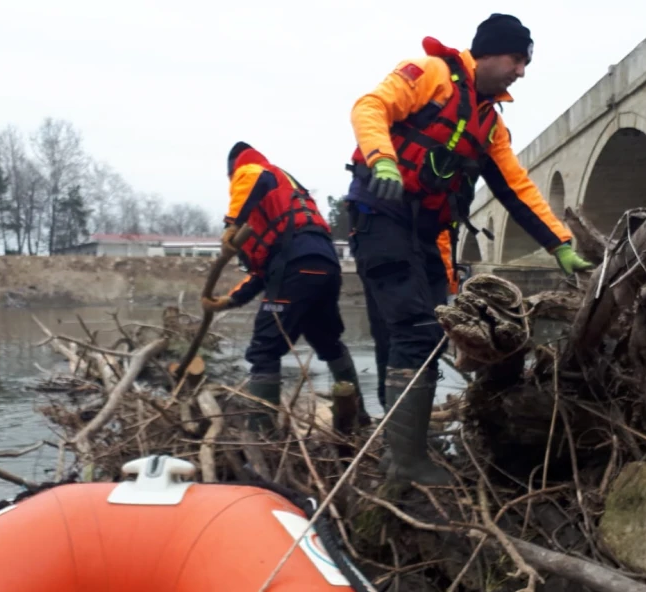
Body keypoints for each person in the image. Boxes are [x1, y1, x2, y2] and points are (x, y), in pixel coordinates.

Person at [344, 13, 594, 485]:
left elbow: (517, 189)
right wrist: (384, 160)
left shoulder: (490, 124)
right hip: (382, 217)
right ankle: (406, 464)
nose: (522, 71)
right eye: (517, 59)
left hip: (427, 234)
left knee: (428, 333)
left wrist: (560, 244)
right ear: (490, 51)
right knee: (413, 332)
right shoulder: (430, 74)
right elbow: (369, 107)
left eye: (526, 62)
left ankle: (404, 448)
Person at [203, 142, 370, 433]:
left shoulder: (254, 170)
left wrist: (232, 222)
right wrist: (228, 301)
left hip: (296, 265)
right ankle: (357, 418)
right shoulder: (285, 195)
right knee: (328, 342)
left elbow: (256, 179)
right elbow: (263, 272)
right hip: (324, 265)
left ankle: (263, 435)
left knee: (264, 351)